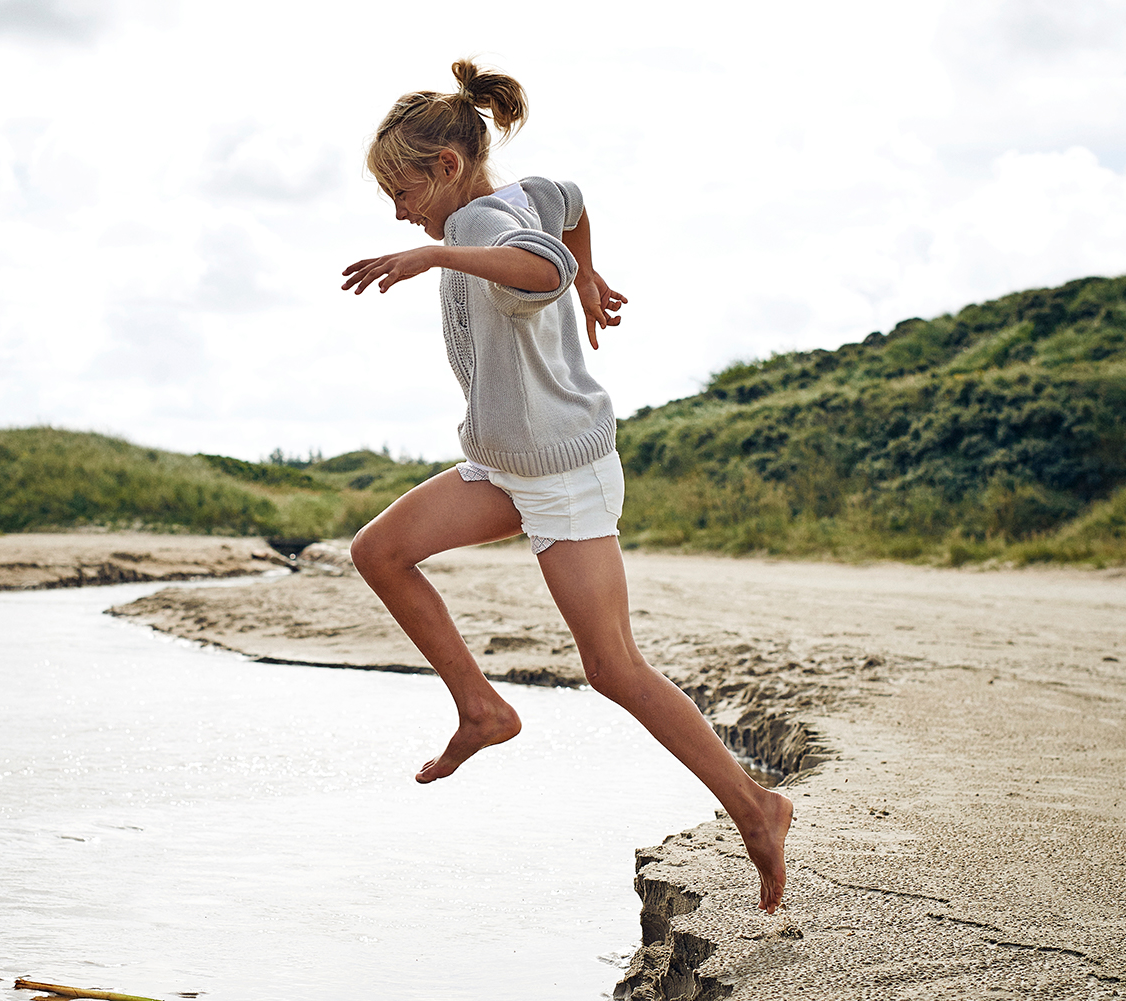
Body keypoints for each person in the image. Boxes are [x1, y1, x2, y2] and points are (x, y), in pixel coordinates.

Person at [339, 60, 793, 914]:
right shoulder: (515, 196)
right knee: (381, 550)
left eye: (400, 193)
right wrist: (589, 269)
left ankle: (756, 806)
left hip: (559, 473)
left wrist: (445, 253)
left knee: (613, 666)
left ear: (442, 169)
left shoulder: (478, 217)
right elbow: (571, 200)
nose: (398, 212)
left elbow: (533, 268)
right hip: (504, 461)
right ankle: (481, 707)